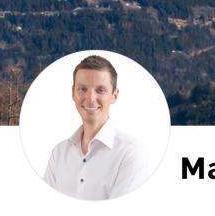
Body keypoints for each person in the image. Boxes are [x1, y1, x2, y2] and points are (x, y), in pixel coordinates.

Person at [42, 55, 149, 200]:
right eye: (82, 89)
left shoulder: (130, 153)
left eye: (100, 90)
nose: (90, 98)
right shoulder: (59, 153)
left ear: (114, 95)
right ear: (73, 93)